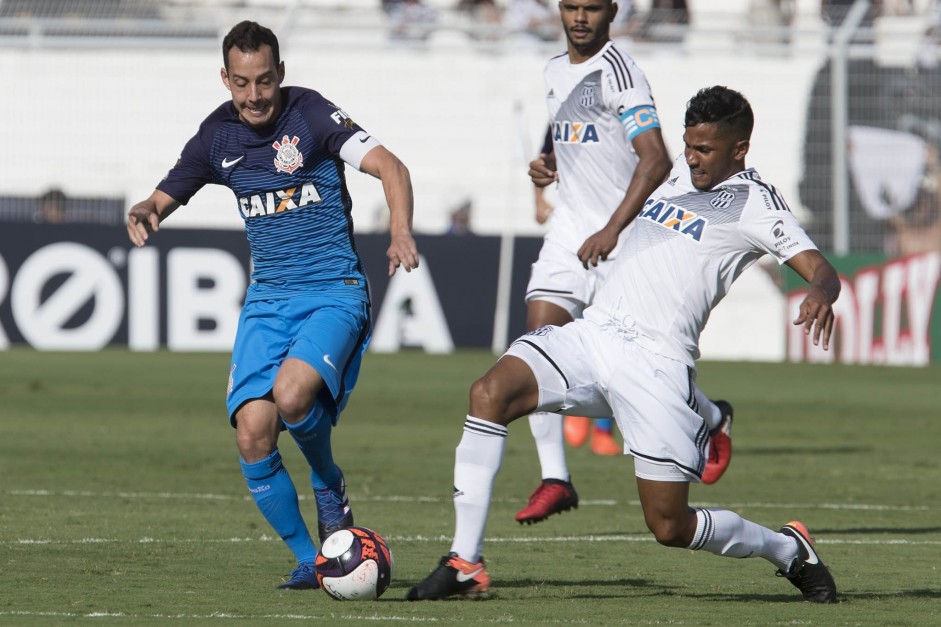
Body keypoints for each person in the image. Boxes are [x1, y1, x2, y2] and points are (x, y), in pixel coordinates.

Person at [407, 85, 840, 604]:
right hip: (595, 335)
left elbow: (821, 269)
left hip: (657, 366)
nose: (692, 158)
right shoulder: (679, 173)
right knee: (489, 392)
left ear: (739, 149)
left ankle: (786, 549)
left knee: (669, 526)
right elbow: (621, 166)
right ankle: (464, 563)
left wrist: (818, 293)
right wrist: (560, 170)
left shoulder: (755, 202)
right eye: (689, 145)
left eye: (705, 149)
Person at [126, 21, 419, 591]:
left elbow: (393, 167)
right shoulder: (217, 137)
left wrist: (400, 230)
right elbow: (168, 193)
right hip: (267, 301)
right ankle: (315, 561)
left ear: (280, 74)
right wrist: (148, 207)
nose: (254, 96)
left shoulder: (310, 115)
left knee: (290, 395)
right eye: (241, 84)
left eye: (264, 81)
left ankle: (328, 483)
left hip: (333, 290)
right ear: (225, 79)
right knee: (252, 433)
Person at [515, 0, 732, 527]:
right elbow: (578, 146)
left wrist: (612, 228)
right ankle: (556, 478)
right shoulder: (552, 71)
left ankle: (711, 415)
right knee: (538, 338)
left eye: (592, 7)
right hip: (572, 229)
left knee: (639, 364)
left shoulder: (620, 71)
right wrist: (551, 166)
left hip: (624, 235)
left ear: (612, 10)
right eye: (571, 6)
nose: (580, 17)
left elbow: (655, 158)